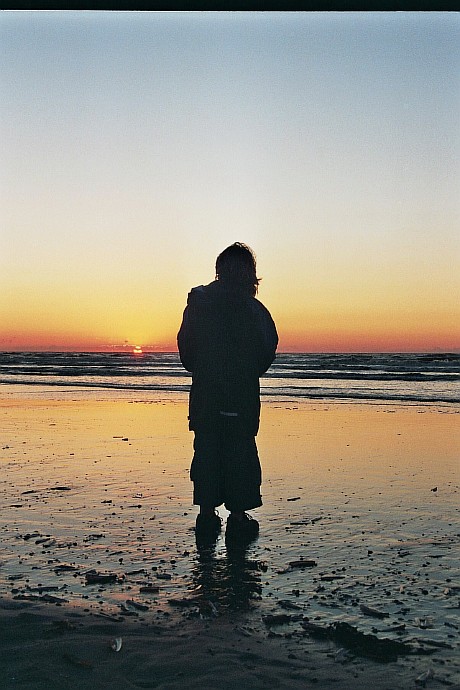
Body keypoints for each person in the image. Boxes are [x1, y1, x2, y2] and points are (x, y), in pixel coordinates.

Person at [177, 242, 278, 546]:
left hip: (206, 396)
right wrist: (244, 371)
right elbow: (266, 352)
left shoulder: (199, 304)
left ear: (219, 271)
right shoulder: (254, 310)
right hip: (240, 396)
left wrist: (207, 368)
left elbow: (186, 352)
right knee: (240, 455)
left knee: (207, 453)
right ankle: (237, 518)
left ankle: (207, 516)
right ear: (251, 275)